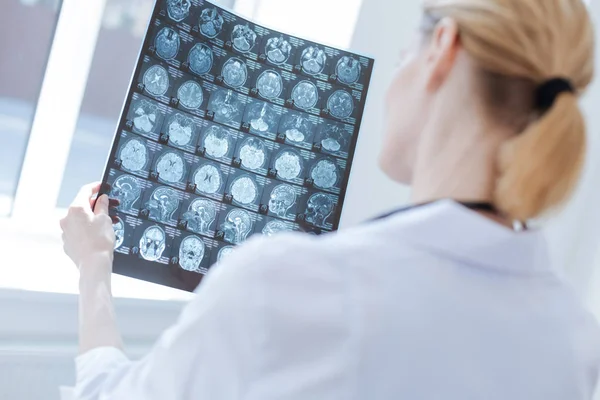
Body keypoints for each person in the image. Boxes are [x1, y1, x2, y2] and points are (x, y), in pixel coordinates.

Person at [60, 0, 600, 399]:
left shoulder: (293, 284)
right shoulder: (574, 339)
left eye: (402, 55)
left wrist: (93, 267)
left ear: (441, 49)